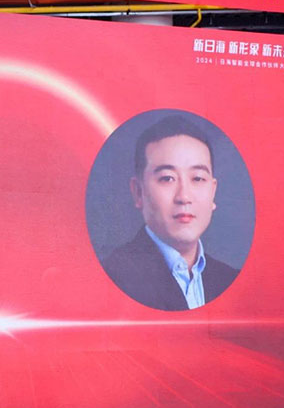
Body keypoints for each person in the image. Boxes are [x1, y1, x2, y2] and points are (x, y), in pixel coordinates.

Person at [102, 115, 238, 311]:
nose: (184, 196)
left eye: (198, 178)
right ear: (138, 192)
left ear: (213, 192)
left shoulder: (230, 280)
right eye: (167, 178)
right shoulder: (114, 278)